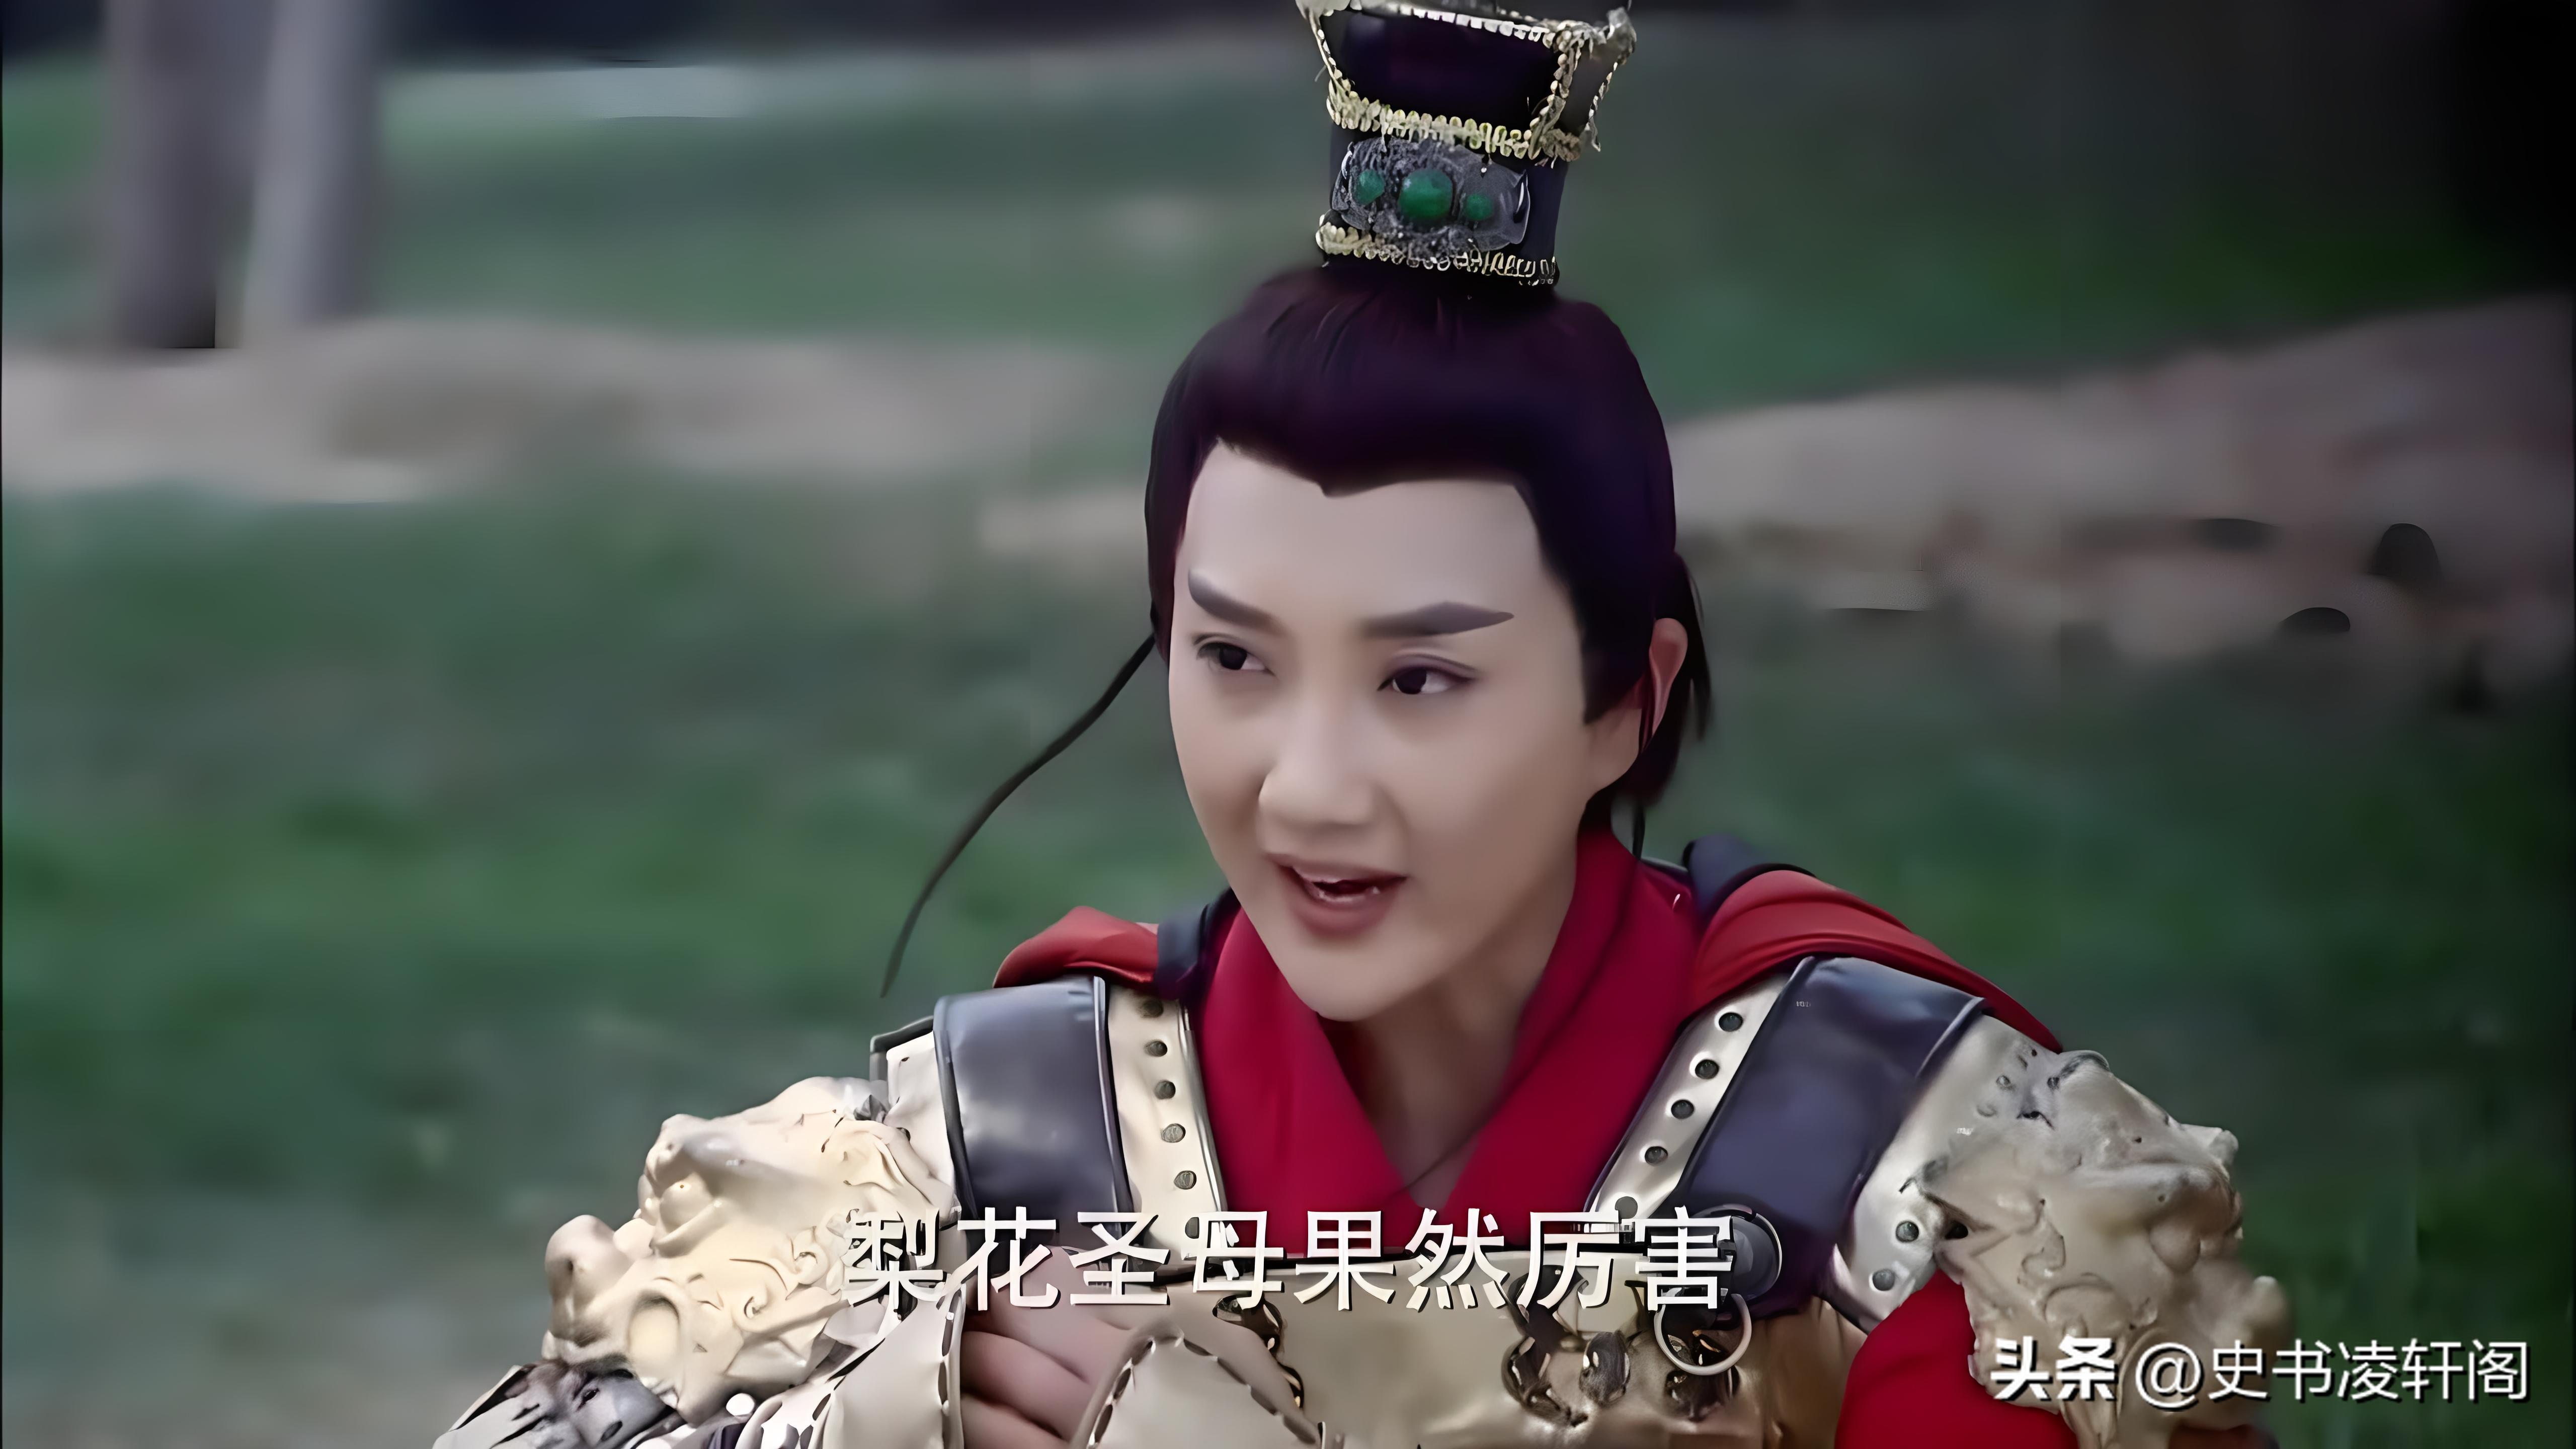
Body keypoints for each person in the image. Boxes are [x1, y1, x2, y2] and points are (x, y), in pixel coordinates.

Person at [437, 4, 2289, 1447]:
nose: (1306, 787)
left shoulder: (1922, 1174)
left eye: (1421, 679)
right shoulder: (1005, 1145)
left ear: (1625, 700)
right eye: (1234, 660)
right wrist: (886, 1414)